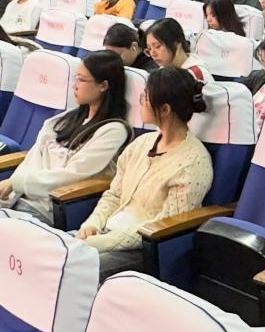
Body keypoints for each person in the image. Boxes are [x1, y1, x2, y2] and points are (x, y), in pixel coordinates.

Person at [76, 67, 212, 278]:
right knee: (54, 252)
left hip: (141, 249)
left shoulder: (193, 162)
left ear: (164, 109)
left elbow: (162, 226)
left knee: (75, 269)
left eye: (145, 98)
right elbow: (114, 195)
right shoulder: (141, 144)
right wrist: (93, 222)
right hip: (105, 233)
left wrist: (104, 242)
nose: (140, 102)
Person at [0, 51, 131, 223]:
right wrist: (1, 200)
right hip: (21, 199)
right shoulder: (65, 119)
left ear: (103, 86)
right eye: (76, 78)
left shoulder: (113, 130)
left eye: (82, 80)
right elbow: (33, 158)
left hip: (48, 207)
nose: (75, 86)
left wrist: (19, 183)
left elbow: (74, 174)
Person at [144, 18, 209, 82]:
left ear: (176, 44)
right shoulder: (161, 71)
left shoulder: (196, 75)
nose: (153, 54)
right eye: (149, 49)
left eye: (157, 46)